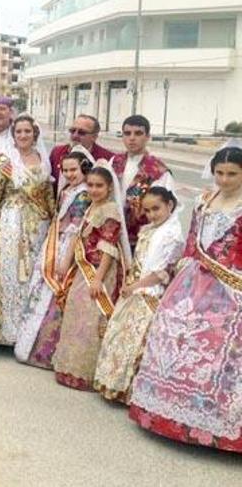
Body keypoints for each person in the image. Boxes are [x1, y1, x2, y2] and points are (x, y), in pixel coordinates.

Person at [129, 144, 242, 452]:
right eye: (219, 173)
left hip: (232, 285)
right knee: (176, 335)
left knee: (221, 349)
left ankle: (215, 422)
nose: (224, 179)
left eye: (232, 174)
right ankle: (169, 412)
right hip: (195, 278)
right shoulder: (205, 201)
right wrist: (182, 270)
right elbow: (193, 240)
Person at [94, 187, 184, 402]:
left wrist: (135, 286)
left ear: (169, 206)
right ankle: (112, 385)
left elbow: (161, 273)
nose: (151, 214)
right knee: (120, 336)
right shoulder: (150, 229)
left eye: (156, 209)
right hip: (136, 287)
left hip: (149, 292)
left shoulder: (172, 234)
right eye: (147, 210)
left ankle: (128, 391)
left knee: (136, 340)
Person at [0, 114, 54, 346]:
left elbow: (47, 195)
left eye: (27, 131)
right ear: (13, 135)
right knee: (8, 272)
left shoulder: (42, 159)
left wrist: (54, 225)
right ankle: (3, 332)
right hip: (10, 223)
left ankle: (25, 335)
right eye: (18, 132)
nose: (23, 135)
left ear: (34, 134)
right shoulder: (4, 161)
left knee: (30, 277)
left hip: (37, 225)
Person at [52, 163, 131, 391]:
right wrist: (66, 261)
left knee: (91, 319)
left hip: (100, 272)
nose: (95, 190)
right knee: (76, 316)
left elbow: (108, 247)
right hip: (83, 269)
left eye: (100, 186)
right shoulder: (92, 207)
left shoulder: (111, 210)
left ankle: (85, 373)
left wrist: (98, 278)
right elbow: (79, 238)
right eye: (91, 185)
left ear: (108, 188)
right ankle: (69, 368)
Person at [14, 148, 93, 368]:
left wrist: (65, 256)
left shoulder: (84, 193)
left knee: (54, 293)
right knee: (41, 291)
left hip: (67, 245)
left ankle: (46, 350)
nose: (69, 174)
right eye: (65, 170)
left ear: (84, 168)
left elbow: (76, 227)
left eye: (74, 169)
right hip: (54, 241)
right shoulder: (67, 189)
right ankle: (30, 345)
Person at [110, 115, 175, 248]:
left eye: (138, 133)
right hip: (112, 237)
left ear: (147, 137)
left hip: (141, 241)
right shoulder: (114, 162)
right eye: (127, 133)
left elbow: (168, 212)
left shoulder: (159, 171)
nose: (132, 138)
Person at [48, 114, 114, 186]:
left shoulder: (107, 158)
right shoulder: (57, 152)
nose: (75, 135)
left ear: (94, 137)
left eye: (81, 132)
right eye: (72, 131)